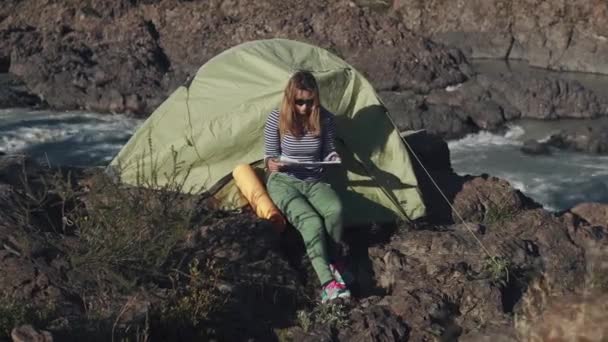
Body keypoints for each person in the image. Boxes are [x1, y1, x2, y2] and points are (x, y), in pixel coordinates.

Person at [263, 70, 351, 303]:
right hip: (284, 181)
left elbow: (329, 148)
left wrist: (332, 157)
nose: (303, 107)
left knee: (335, 210)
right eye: (298, 102)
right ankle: (327, 284)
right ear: (290, 99)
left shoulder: (325, 119)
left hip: (315, 180)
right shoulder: (276, 118)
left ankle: (334, 262)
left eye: (308, 102)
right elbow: (269, 157)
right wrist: (272, 164)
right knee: (310, 222)